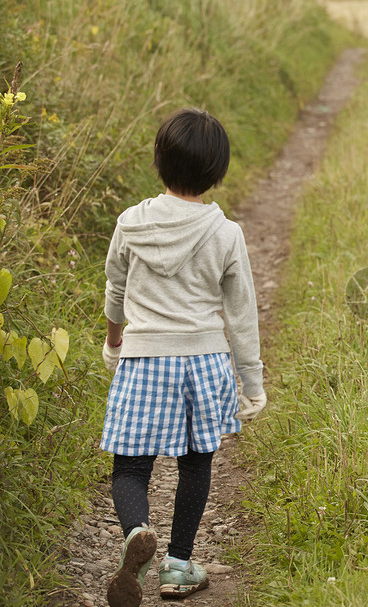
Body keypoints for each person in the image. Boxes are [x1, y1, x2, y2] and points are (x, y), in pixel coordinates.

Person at [100, 107, 267, 606]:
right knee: (196, 464)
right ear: (218, 171)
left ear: (159, 162)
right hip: (204, 361)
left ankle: (135, 533)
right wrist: (252, 383)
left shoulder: (131, 223)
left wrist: (114, 342)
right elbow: (241, 317)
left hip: (145, 357)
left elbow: (115, 291)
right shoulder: (225, 233)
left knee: (130, 470)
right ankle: (177, 566)